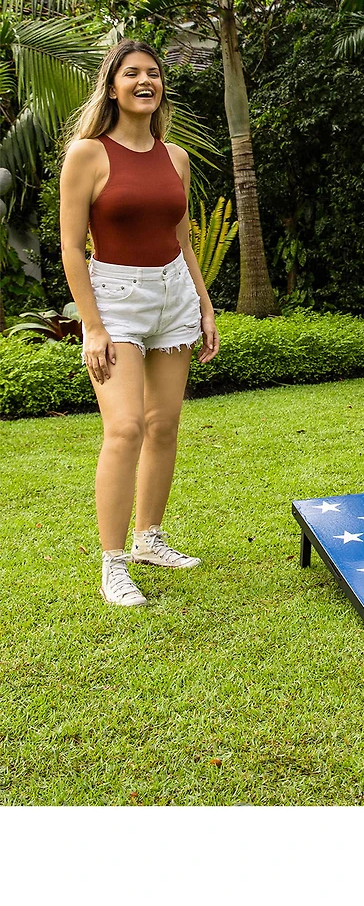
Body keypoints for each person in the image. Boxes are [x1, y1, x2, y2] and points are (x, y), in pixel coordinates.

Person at [60, 40, 220, 607]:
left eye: (153, 73)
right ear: (112, 87)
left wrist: (202, 304)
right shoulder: (87, 155)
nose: (145, 81)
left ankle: (150, 538)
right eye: (132, 74)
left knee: (164, 425)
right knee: (124, 427)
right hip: (115, 300)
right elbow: (72, 249)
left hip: (173, 296)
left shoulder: (174, 157)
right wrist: (93, 326)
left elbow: (181, 239)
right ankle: (113, 563)